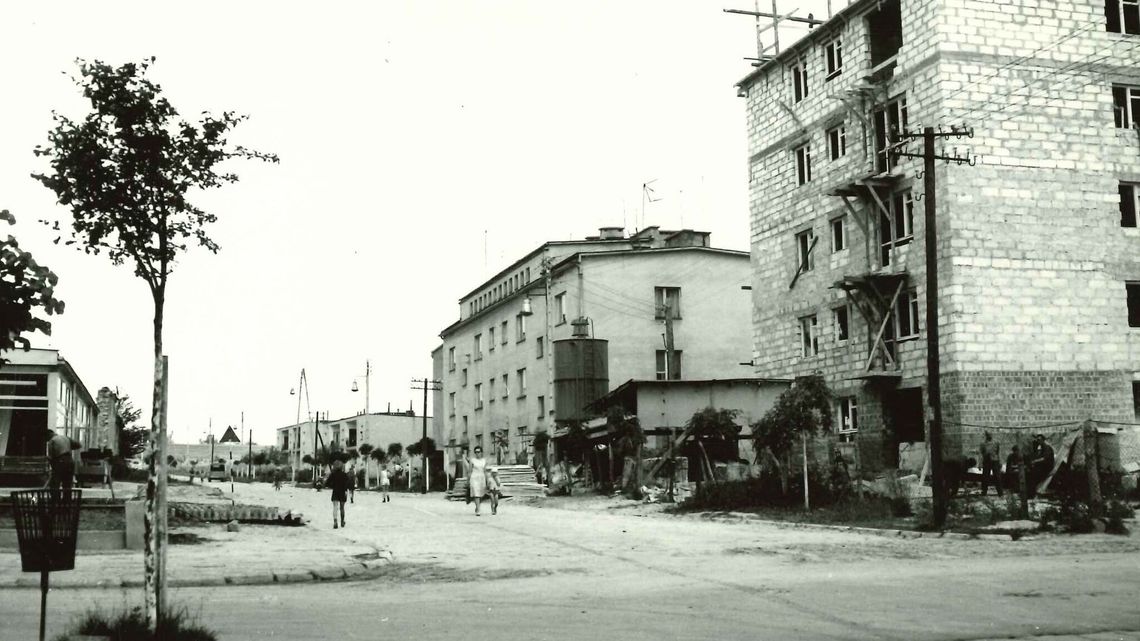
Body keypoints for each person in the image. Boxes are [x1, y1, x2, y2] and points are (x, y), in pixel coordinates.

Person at [45, 429, 78, 496]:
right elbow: (78, 445)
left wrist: (53, 467)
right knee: (67, 484)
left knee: (55, 484)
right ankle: (67, 502)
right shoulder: (65, 437)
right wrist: (68, 447)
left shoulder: (52, 441)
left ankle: (56, 501)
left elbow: (51, 457)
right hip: (70, 461)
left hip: (60, 461)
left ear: (48, 435)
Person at [464, 446, 490, 516]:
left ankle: (477, 506)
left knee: (481, 494)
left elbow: (485, 471)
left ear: (481, 452)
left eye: (478, 452)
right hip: (474, 478)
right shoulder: (472, 460)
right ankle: (478, 510)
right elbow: (469, 471)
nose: (477, 453)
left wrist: (487, 481)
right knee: (476, 493)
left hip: (482, 478)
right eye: (475, 452)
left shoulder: (484, 461)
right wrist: (467, 481)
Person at [324, 459, 350, 529]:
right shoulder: (344, 475)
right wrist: (346, 490)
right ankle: (342, 521)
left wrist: (332, 486)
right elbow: (348, 484)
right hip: (342, 492)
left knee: (335, 507)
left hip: (335, 491)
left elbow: (327, 484)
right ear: (342, 467)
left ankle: (335, 521)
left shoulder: (333, 474)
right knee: (342, 507)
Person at [979, 432, 1002, 496]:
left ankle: (1000, 492)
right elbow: (980, 453)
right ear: (986, 436)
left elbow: (998, 452)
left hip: (995, 461)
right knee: (985, 477)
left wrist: (1000, 461)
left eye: (991, 434)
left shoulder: (996, 442)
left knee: (997, 477)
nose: (990, 436)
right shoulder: (983, 444)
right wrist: (980, 463)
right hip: (986, 461)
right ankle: (984, 492)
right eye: (988, 435)